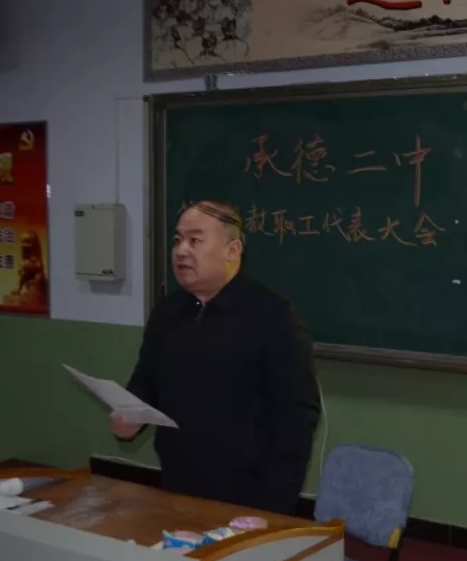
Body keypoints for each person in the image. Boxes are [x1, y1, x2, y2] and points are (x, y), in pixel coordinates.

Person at [111, 199, 321, 515]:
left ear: (232, 251)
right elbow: (146, 381)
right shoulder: (167, 313)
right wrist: (129, 416)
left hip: (249, 497)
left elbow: (296, 419)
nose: (181, 251)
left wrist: (273, 508)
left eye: (195, 240)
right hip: (176, 483)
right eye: (177, 240)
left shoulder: (273, 316)